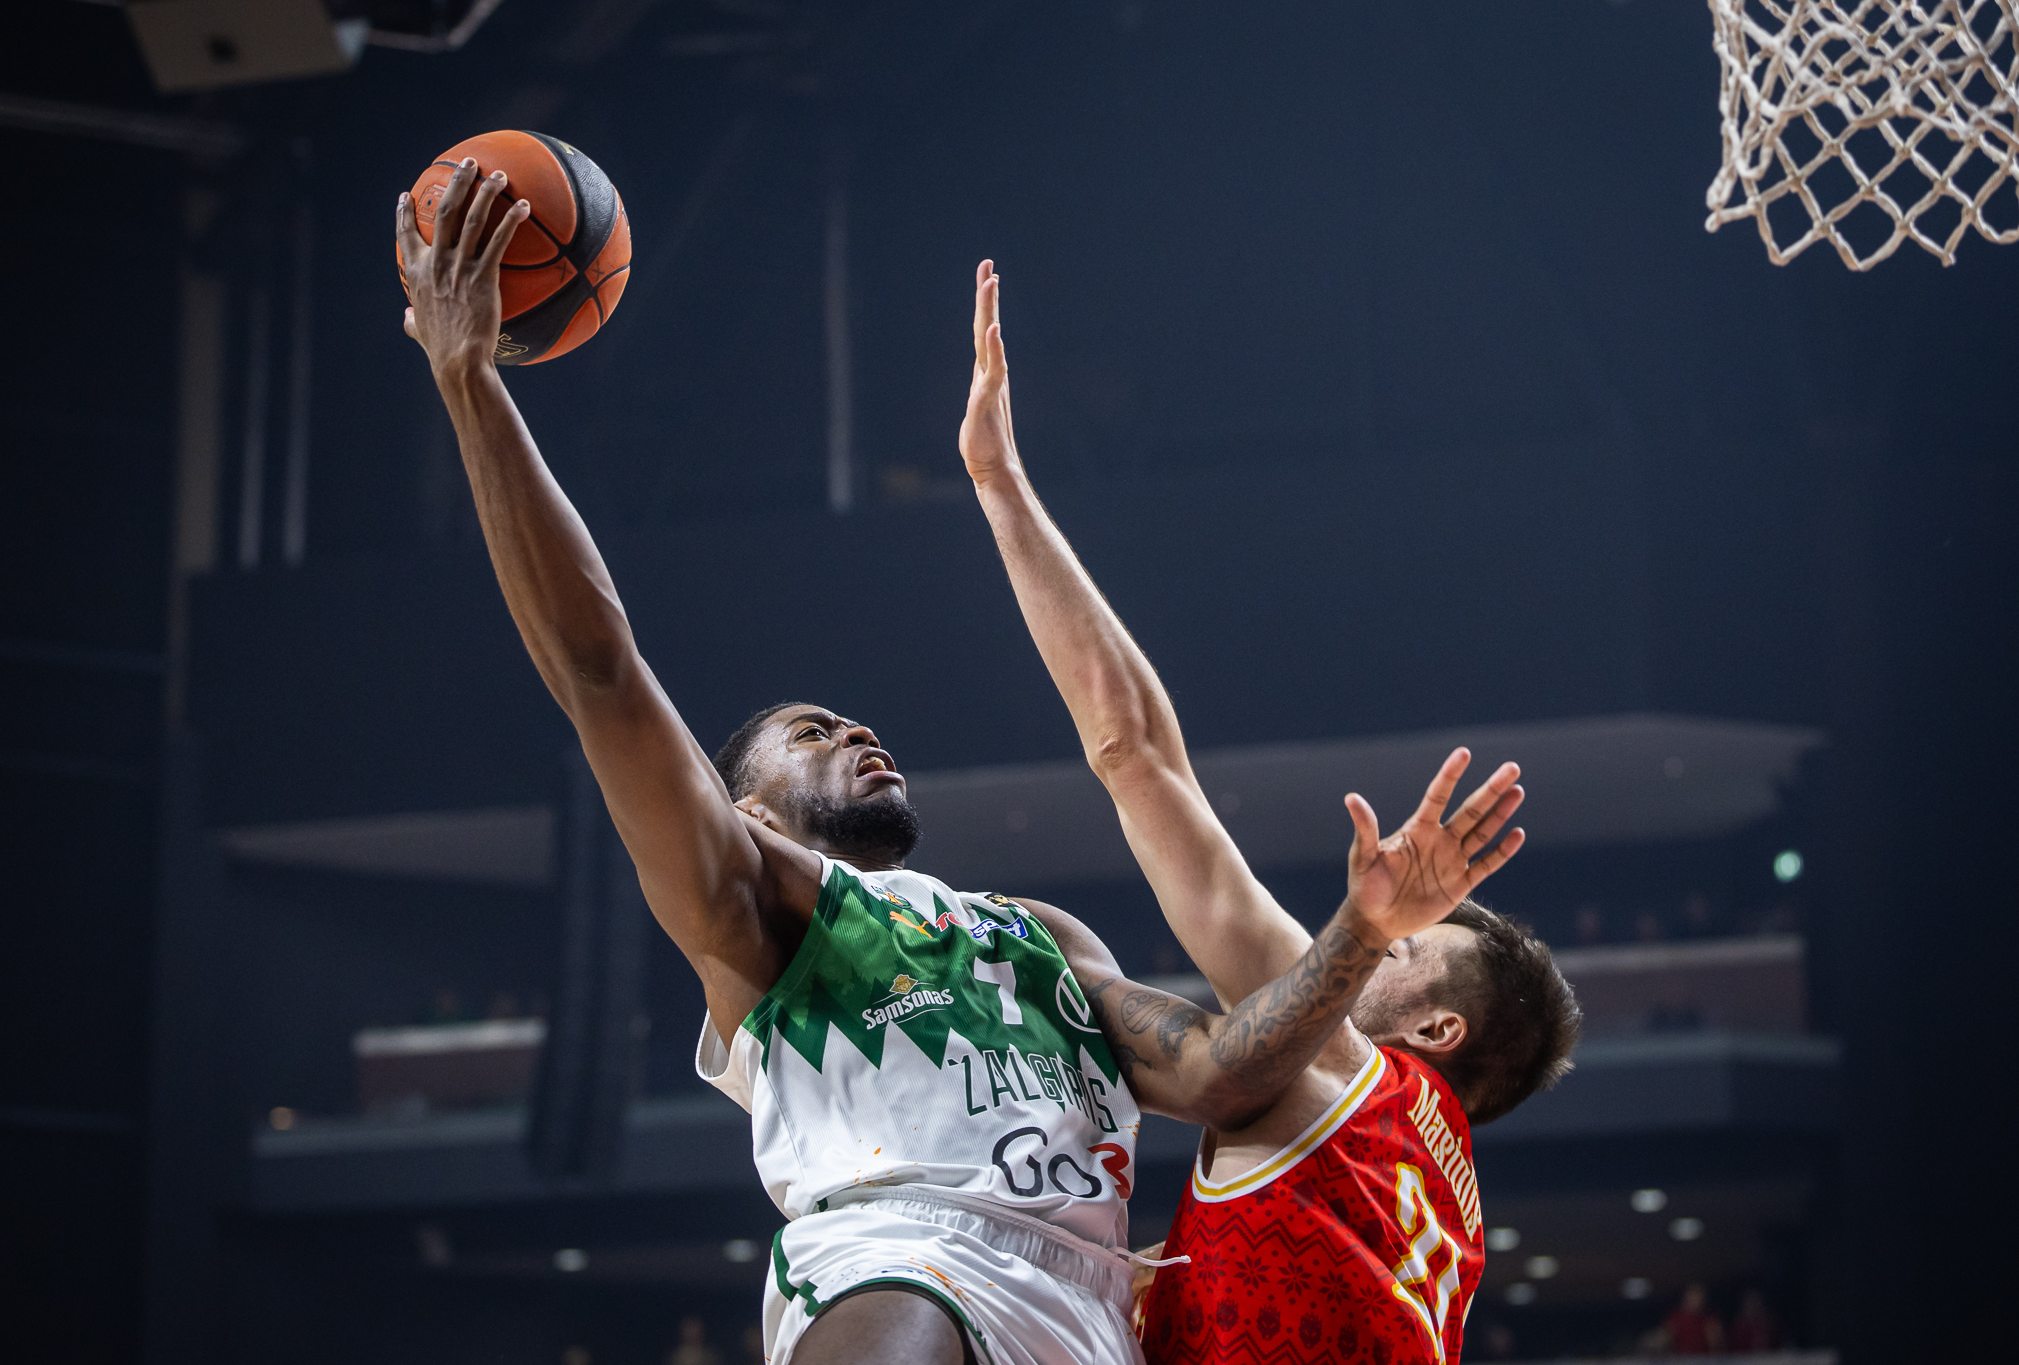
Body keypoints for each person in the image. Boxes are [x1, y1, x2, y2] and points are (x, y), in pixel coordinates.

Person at [396, 164, 1528, 1365]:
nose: (855, 732)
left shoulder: (1041, 938)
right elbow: (600, 671)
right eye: (811, 732)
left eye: (850, 722)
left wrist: (1357, 933)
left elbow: (1211, 1074)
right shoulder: (761, 908)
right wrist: (470, 383)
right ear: (748, 812)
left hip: (1090, 1311)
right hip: (902, 1247)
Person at [956, 259, 1582, 1365]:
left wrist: (1001, 485)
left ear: (1436, 1033)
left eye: (1404, 950)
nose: (1366, 947)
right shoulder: (1450, 1220)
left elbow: (1134, 753)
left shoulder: (1346, 1076)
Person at [1665, 1283, 1725, 1354]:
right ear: (1686, 1297)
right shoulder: (1675, 1318)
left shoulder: (1709, 1319)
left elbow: (1717, 1347)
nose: (1696, 1299)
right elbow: (1666, 1342)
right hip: (1680, 1358)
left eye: (1699, 1295)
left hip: (1704, 1358)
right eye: (1693, 1295)